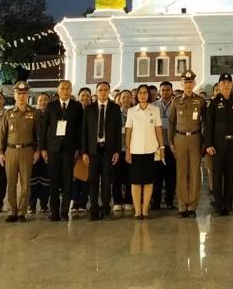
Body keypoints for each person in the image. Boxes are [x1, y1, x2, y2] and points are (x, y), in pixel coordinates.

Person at [39, 79, 84, 221]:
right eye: (62, 88)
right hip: (53, 149)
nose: (65, 91)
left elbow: (80, 129)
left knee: (67, 181)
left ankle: (64, 211)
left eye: (68, 88)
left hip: (70, 149)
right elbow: (44, 128)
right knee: (54, 181)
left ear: (71, 90)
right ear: (58, 90)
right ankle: (54, 212)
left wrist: (78, 148)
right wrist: (43, 148)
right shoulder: (51, 106)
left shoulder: (77, 106)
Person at [204, 73, 233, 216]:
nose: (226, 85)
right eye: (223, 83)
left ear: (232, 85)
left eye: (228, 82)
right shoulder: (214, 102)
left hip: (232, 144)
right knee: (217, 177)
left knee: (230, 176)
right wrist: (208, 144)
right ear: (219, 85)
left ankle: (228, 206)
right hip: (218, 145)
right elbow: (208, 125)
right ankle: (218, 206)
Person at [0, 81, 41, 222]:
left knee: (25, 183)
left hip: (27, 151)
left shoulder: (34, 113)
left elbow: (38, 134)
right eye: (18, 93)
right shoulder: (8, 113)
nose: (21, 96)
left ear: (27, 95)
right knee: (11, 182)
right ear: (14, 95)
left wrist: (38, 150)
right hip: (10, 151)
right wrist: (0, 152)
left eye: (24, 93)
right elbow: (2, 135)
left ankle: (22, 212)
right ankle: (12, 211)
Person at [82, 80, 121, 220]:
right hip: (93, 151)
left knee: (106, 181)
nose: (103, 92)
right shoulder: (89, 108)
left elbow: (117, 131)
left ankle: (106, 209)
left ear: (109, 91)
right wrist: (84, 152)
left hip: (108, 151)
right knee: (92, 181)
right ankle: (93, 209)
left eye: (105, 90)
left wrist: (117, 151)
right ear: (96, 92)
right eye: (100, 90)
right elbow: (84, 131)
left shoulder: (115, 108)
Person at [168, 69, 205, 218]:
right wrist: (170, 142)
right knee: (181, 173)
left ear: (194, 84)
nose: (188, 85)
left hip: (195, 138)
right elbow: (171, 122)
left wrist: (204, 141)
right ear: (181, 84)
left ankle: (192, 206)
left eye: (191, 83)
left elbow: (205, 122)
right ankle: (182, 206)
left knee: (195, 173)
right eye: (186, 83)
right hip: (180, 139)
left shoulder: (200, 101)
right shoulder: (176, 101)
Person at [125, 84, 164, 219]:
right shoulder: (131, 111)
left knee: (148, 181)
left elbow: (158, 129)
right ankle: (137, 210)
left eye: (145, 93)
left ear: (149, 95)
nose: (142, 95)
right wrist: (127, 150)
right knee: (135, 181)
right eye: (140, 93)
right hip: (135, 151)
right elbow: (128, 132)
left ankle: (145, 209)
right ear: (137, 95)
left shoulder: (155, 110)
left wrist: (162, 147)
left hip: (151, 150)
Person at [153, 81, 176, 211]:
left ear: (171, 91)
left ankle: (169, 201)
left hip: (172, 145)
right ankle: (155, 202)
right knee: (157, 175)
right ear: (159, 91)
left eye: (168, 90)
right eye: (163, 90)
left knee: (171, 175)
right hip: (157, 146)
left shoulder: (176, 104)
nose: (165, 92)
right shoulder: (154, 105)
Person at [29, 92, 50, 213]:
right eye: (40, 100)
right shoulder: (32, 114)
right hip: (33, 152)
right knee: (33, 179)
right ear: (37, 102)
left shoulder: (52, 114)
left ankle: (44, 204)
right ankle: (31, 204)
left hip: (48, 152)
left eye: (45, 100)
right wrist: (36, 149)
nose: (43, 102)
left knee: (46, 179)